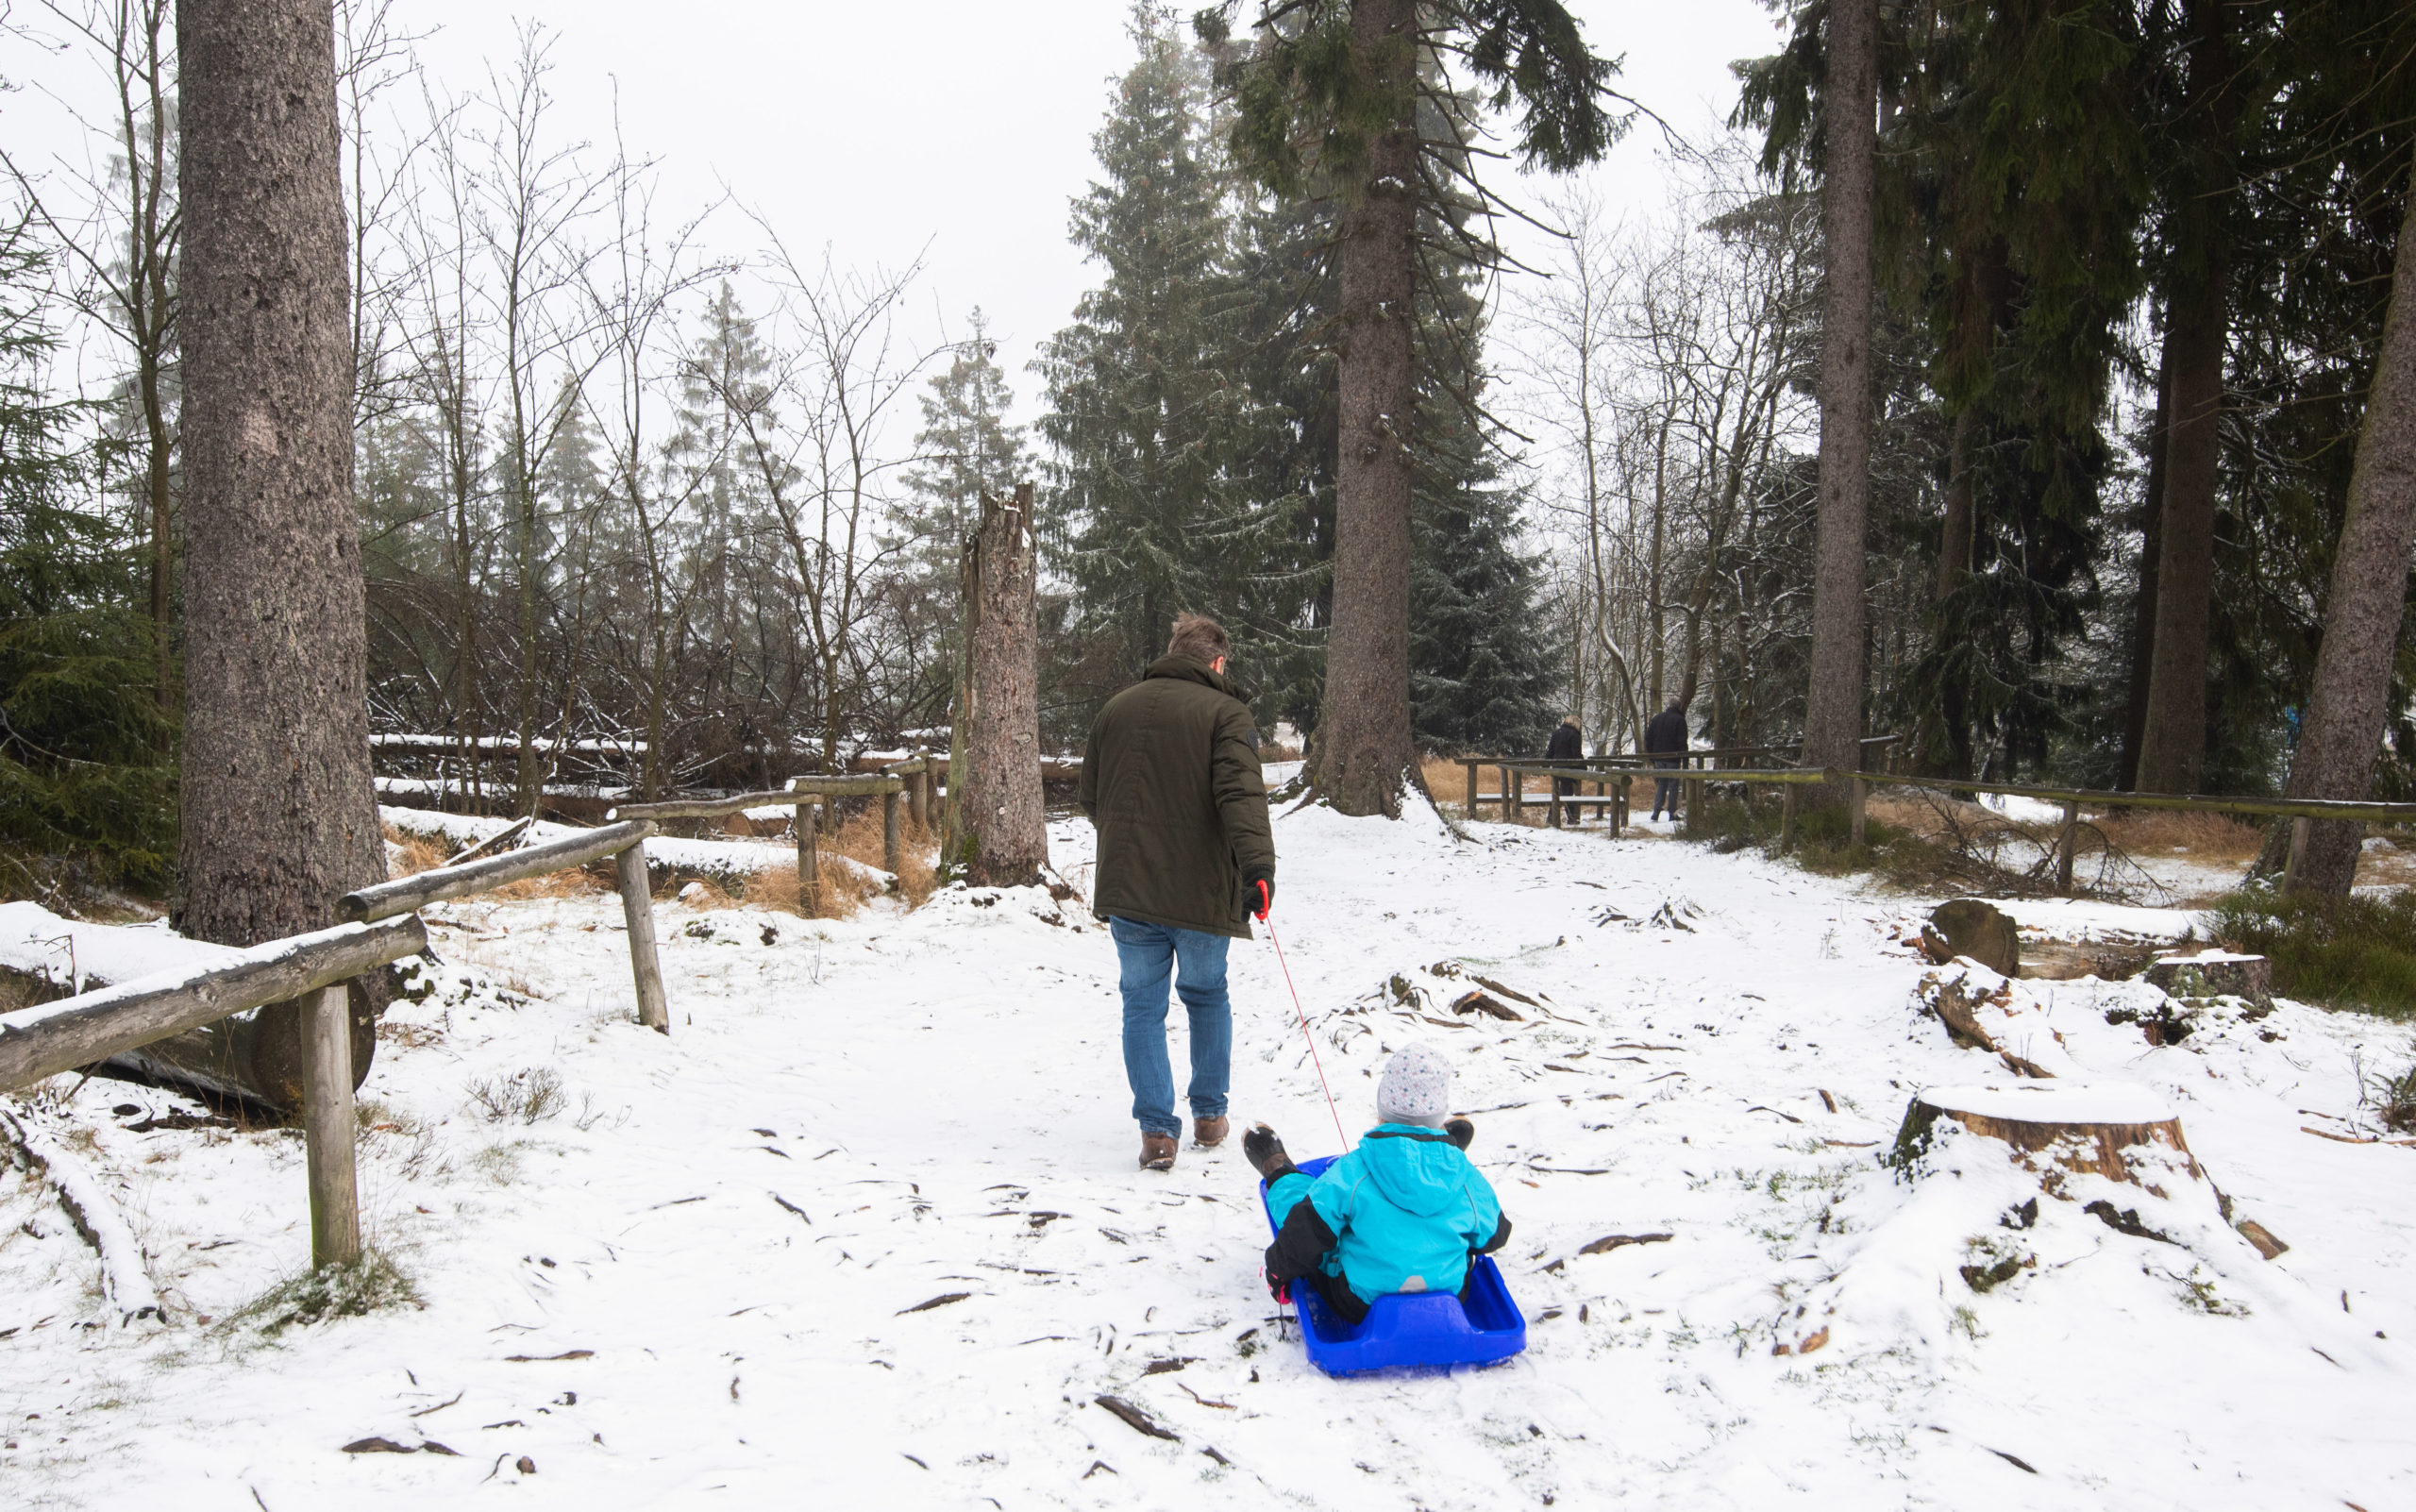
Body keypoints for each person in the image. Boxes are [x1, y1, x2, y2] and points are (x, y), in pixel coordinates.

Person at [1078, 613, 1276, 1172]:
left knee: (1141, 1005)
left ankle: (1157, 1133)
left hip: (1129, 887)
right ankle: (1210, 1116)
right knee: (1206, 995)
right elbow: (1243, 797)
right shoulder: (1227, 713)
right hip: (1200, 894)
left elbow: (1092, 799)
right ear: (1216, 662)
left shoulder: (1116, 708)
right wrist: (1258, 868)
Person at [1244, 1046, 1511, 1324]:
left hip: (1359, 1303)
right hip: (1450, 1297)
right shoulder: (1466, 1177)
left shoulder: (1354, 1172)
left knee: (1307, 1208)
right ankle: (1437, 1149)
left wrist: (1277, 1273)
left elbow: (1303, 1234)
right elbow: (1495, 1235)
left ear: (1381, 1113)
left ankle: (1277, 1167)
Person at [1644, 697, 1689, 822]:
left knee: (1662, 784)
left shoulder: (1657, 719)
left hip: (1658, 757)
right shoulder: (1680, 720)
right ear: (1679, 707)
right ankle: (1672, 812)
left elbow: (1648, 738)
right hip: (1673, 758)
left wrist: (1652, 756)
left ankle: (1656, 811)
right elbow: (1682, 742)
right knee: (1673, 785)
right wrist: (1684, 757)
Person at [1544, 713, 1584, 827]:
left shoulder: (1556, 733)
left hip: (1556, 767)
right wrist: (1582, 767)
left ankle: (1556, 818)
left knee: (1561, 793)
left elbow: (1550, 751)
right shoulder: (1574, 735)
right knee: (1565, 794)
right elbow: (1576, 754)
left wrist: (1546, 765)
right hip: (1568, 768)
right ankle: (1569, 819)